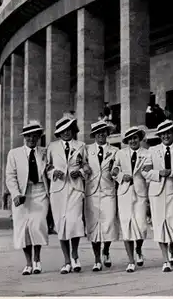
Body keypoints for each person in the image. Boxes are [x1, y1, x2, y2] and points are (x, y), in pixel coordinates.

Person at [5, 120, 49, 275]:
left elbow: (50, 169)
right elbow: (10, 177)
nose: (31, 139)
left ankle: (37, 260)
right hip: (22, 194)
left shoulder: (44, 152)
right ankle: (28, 263)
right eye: (28, 136)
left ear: (39, 137)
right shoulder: (14, 153)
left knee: (37, 225)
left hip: (40, 192)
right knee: (23, 228)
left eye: (34, 136)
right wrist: (16, 194)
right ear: (24, 137)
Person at [46, 113, 89, 274]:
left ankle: (75, 255)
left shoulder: (81, 146)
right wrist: (53, 173)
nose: (66, 133)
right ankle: (66, 261)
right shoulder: (52, 147)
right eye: (63, 130)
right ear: (58, 132)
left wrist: (80, 173)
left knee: (75, 222)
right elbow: (47, 167)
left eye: (69, 129)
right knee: (61, 225)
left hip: (75, 189)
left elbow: (86, 166)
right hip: (58, 190)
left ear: (73, 130)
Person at [141, 120, 173, 272]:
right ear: (159, 135)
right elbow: (145, 172)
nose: (166, 136)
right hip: (157, 193)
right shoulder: (152, 151)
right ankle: (165, 260)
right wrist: (158, 173)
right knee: (160, 225)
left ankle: (172, 246)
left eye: (169, 133)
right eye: (163, 134)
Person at [112, 126, 151, 272]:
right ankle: (130, 260)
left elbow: (148, 169)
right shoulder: (120, 153)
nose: (133, 141)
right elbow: (114, 170)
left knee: (141, 226)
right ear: (127, 141)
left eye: (135, 138)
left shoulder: (147, 153)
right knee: (126, 226)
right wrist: (122, 176)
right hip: (124, 192)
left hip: (140, 192)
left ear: (139, 139)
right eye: (130, 139)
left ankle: (139, 248)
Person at [83, 120, 119, 272]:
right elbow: (80, 163)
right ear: (94, 135)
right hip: (91, 192)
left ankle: (106, 249)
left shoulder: (115, 150)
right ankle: (97, 259)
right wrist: (84, 166)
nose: (101, 134)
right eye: (98, 132)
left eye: (104, 131)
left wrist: (115, 170)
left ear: (108, 133)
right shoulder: (86, 149)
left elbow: (118, 165)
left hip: (108, 190)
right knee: (93, 225)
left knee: (109, 222)